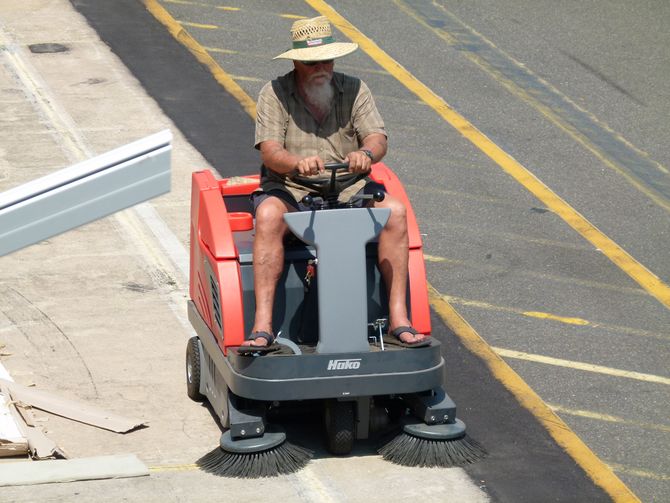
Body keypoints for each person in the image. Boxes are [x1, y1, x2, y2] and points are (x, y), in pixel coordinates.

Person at [243, 16, 429, 348]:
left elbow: (377, 137)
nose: (321, 67)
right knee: (268, 216)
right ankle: (263, 325)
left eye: (327, 59)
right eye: (313, 61)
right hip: (293, 188)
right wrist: (296, 163)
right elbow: (271, 152)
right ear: (297, 62)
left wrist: (366, 154)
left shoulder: (355, 89)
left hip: (348, 186)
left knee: (396, 213)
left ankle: (398, 318)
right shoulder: (273, 93)